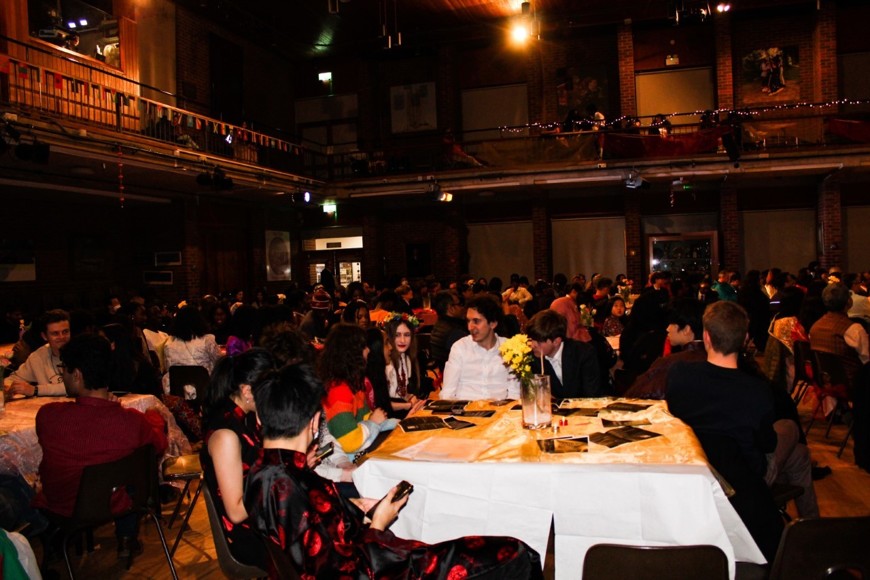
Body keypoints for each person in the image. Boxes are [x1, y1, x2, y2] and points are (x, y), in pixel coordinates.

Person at [243, 362, 543, 579]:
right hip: (386, 567)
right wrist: (378, 523)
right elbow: (344, 572)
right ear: (314, 423)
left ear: (261, 420)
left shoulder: (260, 473)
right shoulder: (291, 484)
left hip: (379, 554)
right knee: (516, 553)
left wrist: (355, 509)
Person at [667, 302, 818, 523]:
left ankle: (808, 525)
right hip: (746, 479)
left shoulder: (679, 374)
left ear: (706, 337)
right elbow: (767, 444)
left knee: (799, 455)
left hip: (696, 469)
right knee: (790, 427)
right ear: (745, 338)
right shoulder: (757, 391)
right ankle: (811, 529)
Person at [35, 333, 167, 558]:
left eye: (64, 369)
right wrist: (153, 416)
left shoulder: (48, 415)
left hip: (63, 506)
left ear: (77, 375)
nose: (62, 374)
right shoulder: (131, 421)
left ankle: (53, 544)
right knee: (129, 471)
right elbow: (159, 444)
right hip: (116, 504)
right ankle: (126, 538)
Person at [200, 349, 274, 569]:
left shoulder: (243, 417)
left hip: (262, 521)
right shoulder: (226, 434)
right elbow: (236, 512)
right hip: (250, 536)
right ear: (247, 391)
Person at [319, 324, 394, 456]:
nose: (368, 350)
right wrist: (373, 422)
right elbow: (350, 442)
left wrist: (401, 424)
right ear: (353, 352)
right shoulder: (337, 390)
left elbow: (366, 418)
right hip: (339, 460)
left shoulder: (354, 383)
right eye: (364, 346)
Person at [441, 295, 520, 401]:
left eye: (476, 321)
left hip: (499, 408)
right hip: (465, 408)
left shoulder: (509, 348)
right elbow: (447, 393)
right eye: (468, 321)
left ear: (493, 323)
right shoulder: (460, 347)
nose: (470, 327)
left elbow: (515, 393)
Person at [626, 298, 706, 400]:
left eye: (672, 324)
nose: (667, 328)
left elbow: (635, 394)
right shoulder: (714, 357)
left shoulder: (669, 363)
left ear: (686, 329)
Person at [526, 310, 602, 398]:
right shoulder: (531, 358)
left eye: (539, 342)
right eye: (532, 339)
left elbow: (591, 394)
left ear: (556, 341)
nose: (532, 345)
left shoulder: (583, 353)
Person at [8, 309, 71, 397]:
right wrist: (7, 388)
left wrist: (35, 390)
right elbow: (12, 380)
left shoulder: (82, 352)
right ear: (44, 336)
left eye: (65, 332)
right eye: (55, 333)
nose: (62, 337)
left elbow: (74, 386)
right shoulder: (38, 357)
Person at [163, 306, 222, 390]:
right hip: (205, 389)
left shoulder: (169, 344)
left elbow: (169, 368)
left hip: (179, 391)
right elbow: (219, 362)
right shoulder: (207, 340)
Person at [383, 312, 427, 414]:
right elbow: (381, 403)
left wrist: (410, 397)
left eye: (407, 335)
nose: (402, 340)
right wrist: (408, 405)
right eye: (397, 335)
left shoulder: (406, 358)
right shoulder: (386, 363)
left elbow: (401, 392)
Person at [428, 290, 467, 372]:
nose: (463, 308)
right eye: (460, 304)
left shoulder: (438, 325)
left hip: (446, 372)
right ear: (450, 308)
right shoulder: (455, 332)